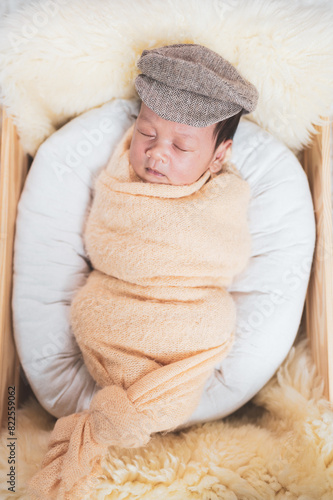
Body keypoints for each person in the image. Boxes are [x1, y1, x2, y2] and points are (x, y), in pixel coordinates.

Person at [29, 43, 259, 500]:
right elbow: (106, 239)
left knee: (213, 321)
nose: (156, 154)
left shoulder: (224, 198)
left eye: (180, 146)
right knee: (93, 309)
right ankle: (125, 410)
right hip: (116, 303)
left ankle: (117, 417)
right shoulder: (120, 173)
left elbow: (224, 255)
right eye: (147, 134)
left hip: (189, 311)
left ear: (218, 155)